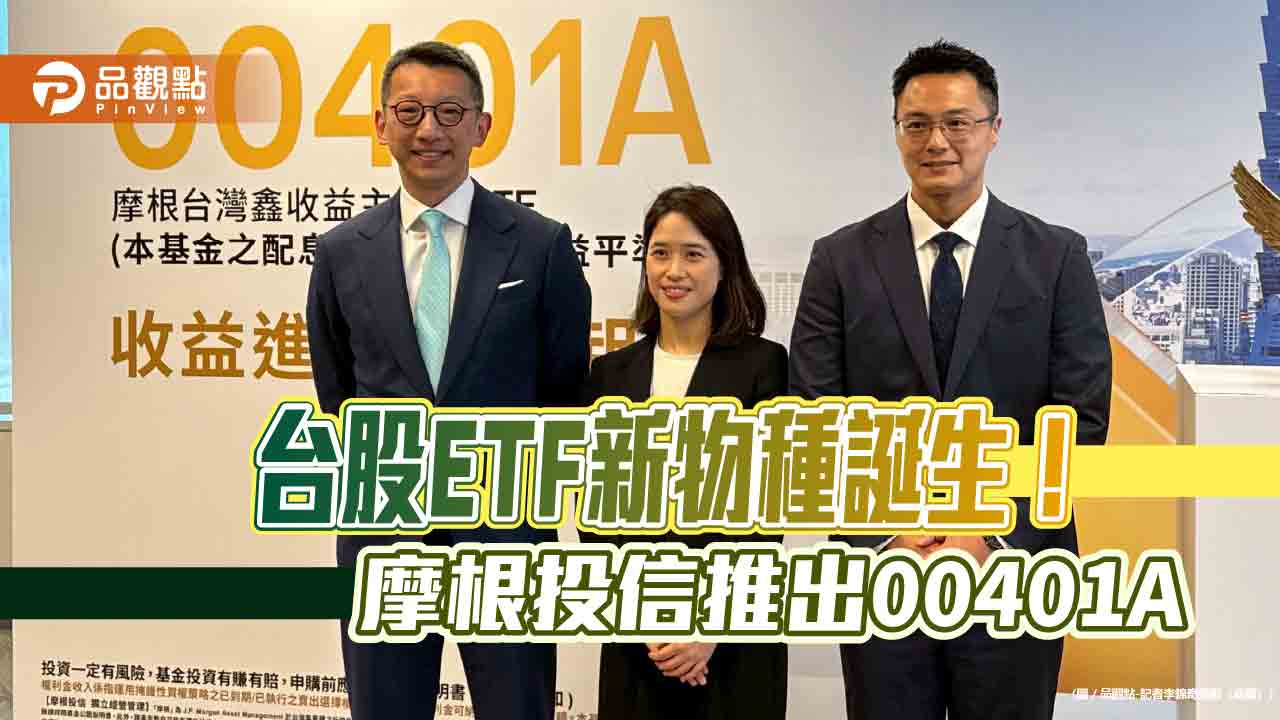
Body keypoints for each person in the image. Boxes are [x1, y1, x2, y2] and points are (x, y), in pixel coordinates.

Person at [789, 40, 1111, 720]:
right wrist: (893, 535)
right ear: (897, 132)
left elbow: (1080, 418)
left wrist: (987, 536)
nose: (937, 141)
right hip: (883, 572)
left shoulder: (1056, 257)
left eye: (958, 122)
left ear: (994, 130)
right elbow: (818, 414)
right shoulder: (840, 259)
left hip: (1014, 571)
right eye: (917, 124)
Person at [306, 40, 590, 720]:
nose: (428, 129)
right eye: (409, 111)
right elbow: (338, 390)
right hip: (385, 531)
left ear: (481, 126)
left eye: (449, 112)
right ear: (381, 124)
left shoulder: (539, 244)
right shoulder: (342, 252)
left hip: (505, 533)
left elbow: (562, 389)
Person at [580, 185, 788, 720]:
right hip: (637, 640)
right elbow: (595, 520)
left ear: (724, 266)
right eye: (660, 253)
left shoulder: (765, 367)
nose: (674, 271)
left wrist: (709, 627)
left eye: (693, 254)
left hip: (734, 640)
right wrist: (645, 618)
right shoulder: (610, 374)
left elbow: (766, 514)